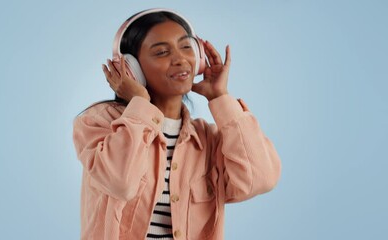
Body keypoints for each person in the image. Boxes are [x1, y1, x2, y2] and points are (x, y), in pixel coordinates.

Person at [73, 8, 281, 240]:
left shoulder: (208, 140)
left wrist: (220, 98)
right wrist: (140, 103)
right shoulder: (98, 122)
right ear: (132, 68)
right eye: (161, 52)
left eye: (186, 47)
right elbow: (122, 183)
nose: (180, 59)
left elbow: (260, 180)